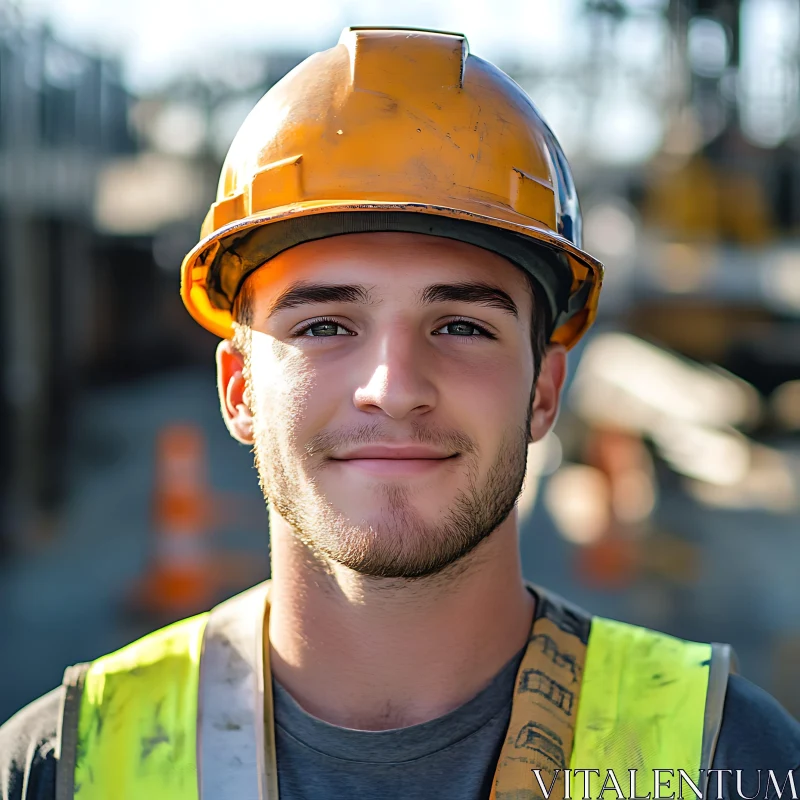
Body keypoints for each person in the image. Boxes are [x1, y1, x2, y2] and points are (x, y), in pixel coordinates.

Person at [2, 26, 799, 800]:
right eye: (324, 326)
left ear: (544, 391)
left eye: (461, 326)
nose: (393, 384)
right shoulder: (57, 767)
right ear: (239, 389)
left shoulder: (730, 757)